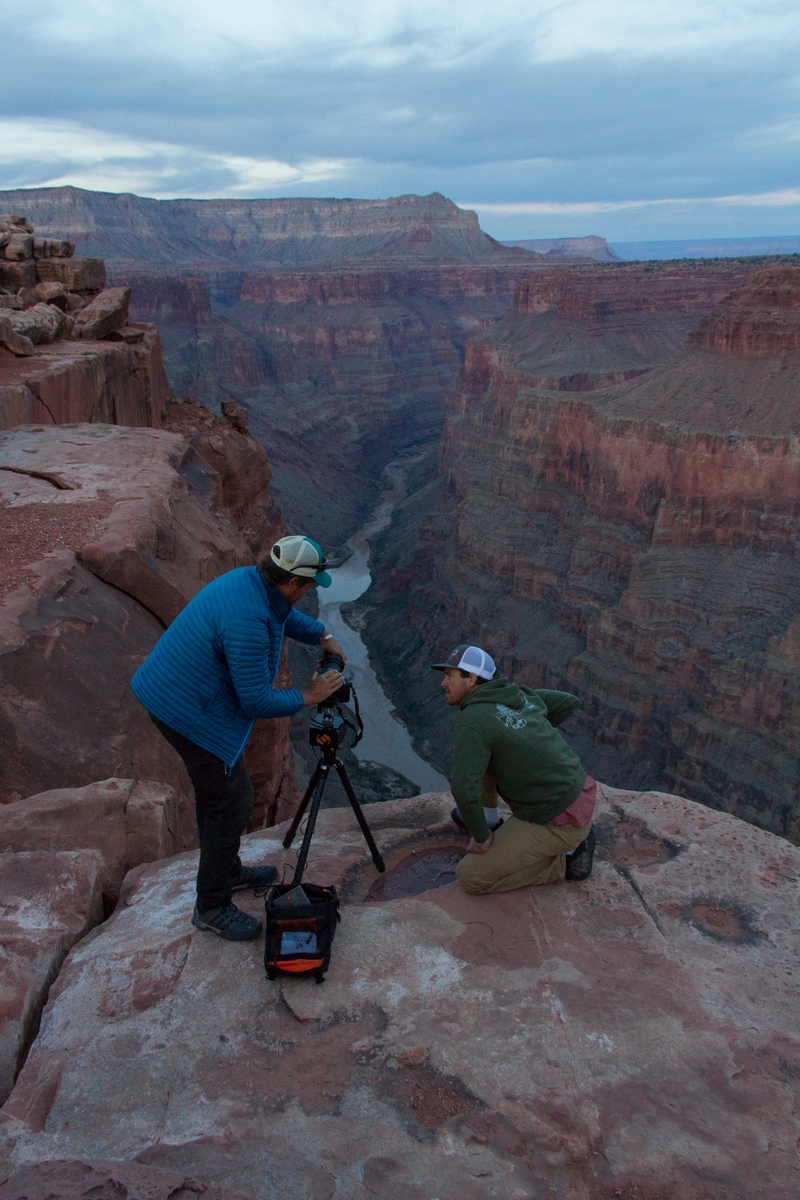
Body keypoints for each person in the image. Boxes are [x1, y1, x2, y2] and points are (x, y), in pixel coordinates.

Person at [131, 535, 347, 941]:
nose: (311, 591)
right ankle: (211, 906)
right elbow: (254, 700)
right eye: (310, 586)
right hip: (185, 711)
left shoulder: (251, 580)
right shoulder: (247, 618)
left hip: (176, 690)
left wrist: (322, 635)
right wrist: (308, 695)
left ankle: (227, 871)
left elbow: (282, 615)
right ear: (292, 583)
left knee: (231, 796)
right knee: (228, 803)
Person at [431, 644, 597, 894]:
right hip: (580, 794)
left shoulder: (473, 719)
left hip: (559, 820)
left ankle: (569, 859)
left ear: (472, 679)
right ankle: (490, 821)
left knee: (471, 877)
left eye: (450, 676)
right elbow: (568, 702)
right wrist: (526, 736)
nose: (443, 683)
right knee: (486, 757)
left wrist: (481, 838)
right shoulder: (519, 695)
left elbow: (463, 786)